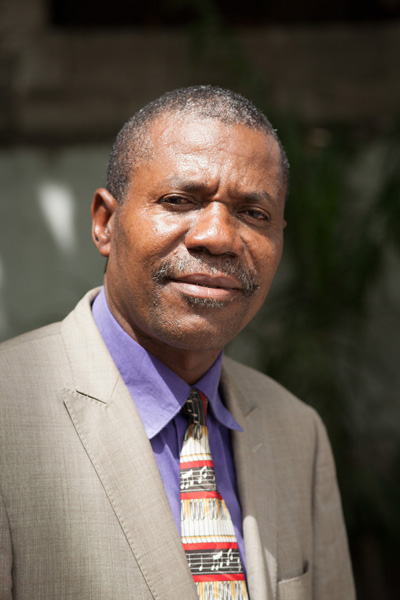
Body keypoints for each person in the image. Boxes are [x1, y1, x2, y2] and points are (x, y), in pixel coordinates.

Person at [0, 86, 355, 600]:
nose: (218, 235)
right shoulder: (10, 412)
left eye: (254, 213)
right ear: (105, 222)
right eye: (180, 200)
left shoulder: (296, 432)